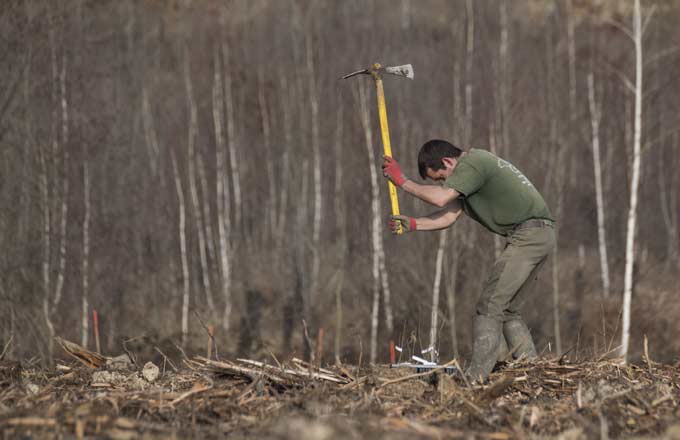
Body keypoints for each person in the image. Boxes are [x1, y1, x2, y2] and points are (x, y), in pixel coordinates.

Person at [382, 139, 556, 382]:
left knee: (488, 306)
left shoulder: (473, 163)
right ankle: (531, 372)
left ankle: (476, 379)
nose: (444, 184)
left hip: (529, 235)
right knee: (508, 311)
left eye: (440, 177)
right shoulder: (468, 178)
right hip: (541, 234)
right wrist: (413, 224)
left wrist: (403, 182)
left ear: (447, 161)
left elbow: (442, 198)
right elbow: (448, 216)